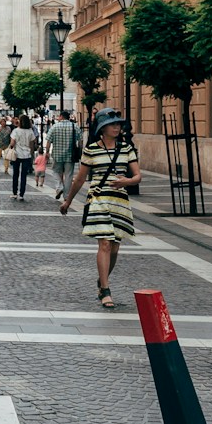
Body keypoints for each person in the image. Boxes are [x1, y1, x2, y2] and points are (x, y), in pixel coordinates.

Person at [58, 109, 140, 310]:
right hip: (98, 200)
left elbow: (138, 176)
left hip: (119, 201)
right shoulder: (92, 150)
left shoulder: (126, 148)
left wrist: (127, 181)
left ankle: (102, 280)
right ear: (102, 128)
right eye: (113, 124)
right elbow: (80, 178)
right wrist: (68, 201)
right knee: (104, 244)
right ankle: (105, 289)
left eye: (118, 124)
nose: (117, 127)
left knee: (114, 248)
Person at [43, 112, 81, 197]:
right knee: (69, 175)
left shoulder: (54, 127)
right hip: (70, 155)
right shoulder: (75, 126)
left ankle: (59, 186)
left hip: (57, 155)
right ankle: (66, 196)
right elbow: (80, 140)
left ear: (61, 117)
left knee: (55, 171)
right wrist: (80, 151)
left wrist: (47, 152)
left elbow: (48, 141)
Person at [8, 116, 37, 200]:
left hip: (17, 154)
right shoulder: (30, 131)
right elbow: (32, 144)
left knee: (15, 174)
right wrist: (31, 155)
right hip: (27, 155)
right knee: (24, 175)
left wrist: (10, 147)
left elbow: (12, 143)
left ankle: (14, 192)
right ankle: (21, 194)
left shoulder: (16, 131)